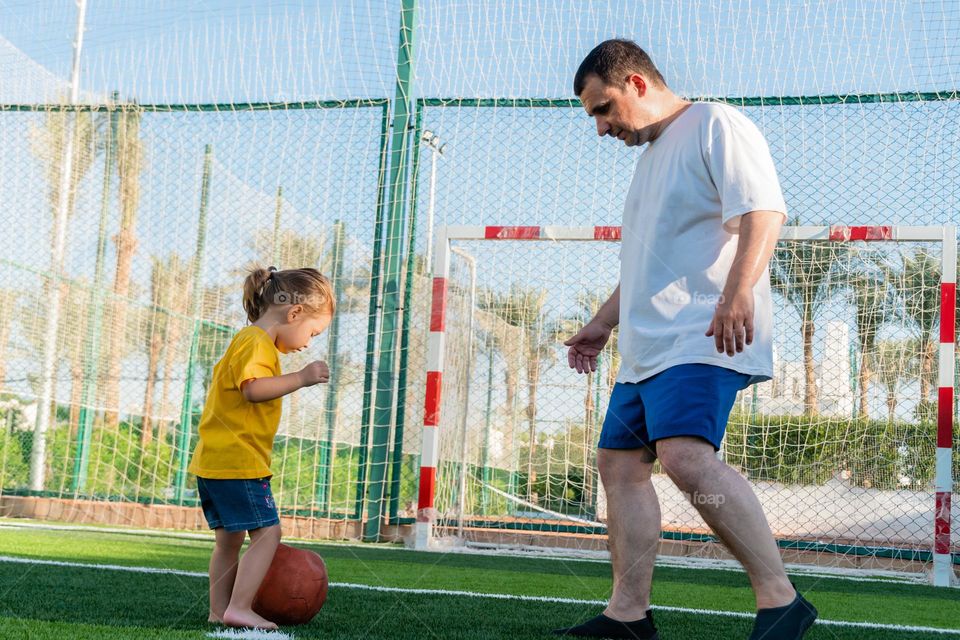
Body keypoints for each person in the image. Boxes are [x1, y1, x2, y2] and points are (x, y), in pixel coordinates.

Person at [558, 39, 818, 640]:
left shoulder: (714, 123)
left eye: (603, 108)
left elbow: (764, 212)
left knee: (683, 456)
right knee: (619, 464)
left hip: (702, 331)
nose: (600, 128)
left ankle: (781, 599)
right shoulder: (650, 162)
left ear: (636, 83)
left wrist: (735, 294)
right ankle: (628, 616)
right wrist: (603, 323)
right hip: (646, 350)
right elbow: (647, 267)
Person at [187, 265, 335, 630]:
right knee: (269, 534)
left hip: (215, 463)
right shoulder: (256, 343)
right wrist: (301, 378)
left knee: (228, 541)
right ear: (294, 312)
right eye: (312, 331)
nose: (308, 342)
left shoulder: (247, 340)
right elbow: (252, 389)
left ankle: (218, 610)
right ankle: (239, 606)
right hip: (239, 463)